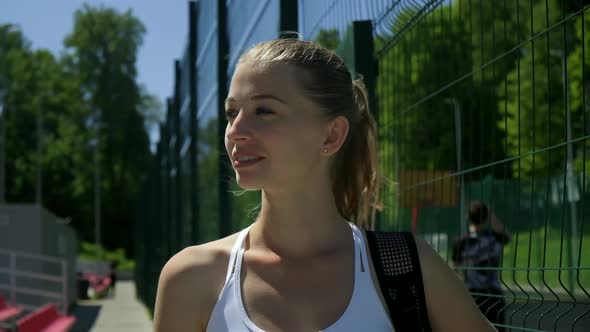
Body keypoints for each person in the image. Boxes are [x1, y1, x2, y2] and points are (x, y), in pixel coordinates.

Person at [154, 38, 495, 331]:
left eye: (264, 111)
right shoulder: (191, 278)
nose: (236, 130)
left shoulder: (407, 268)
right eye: (232, 113)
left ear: (331, 135)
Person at [452, 201, 511, 332]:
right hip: (494, 295)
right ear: (485, 218)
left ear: (468, 218)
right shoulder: (494, 238)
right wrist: (491, 214)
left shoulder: (461, 241)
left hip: (472, 295)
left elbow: (454, 269)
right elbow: (507, 236)